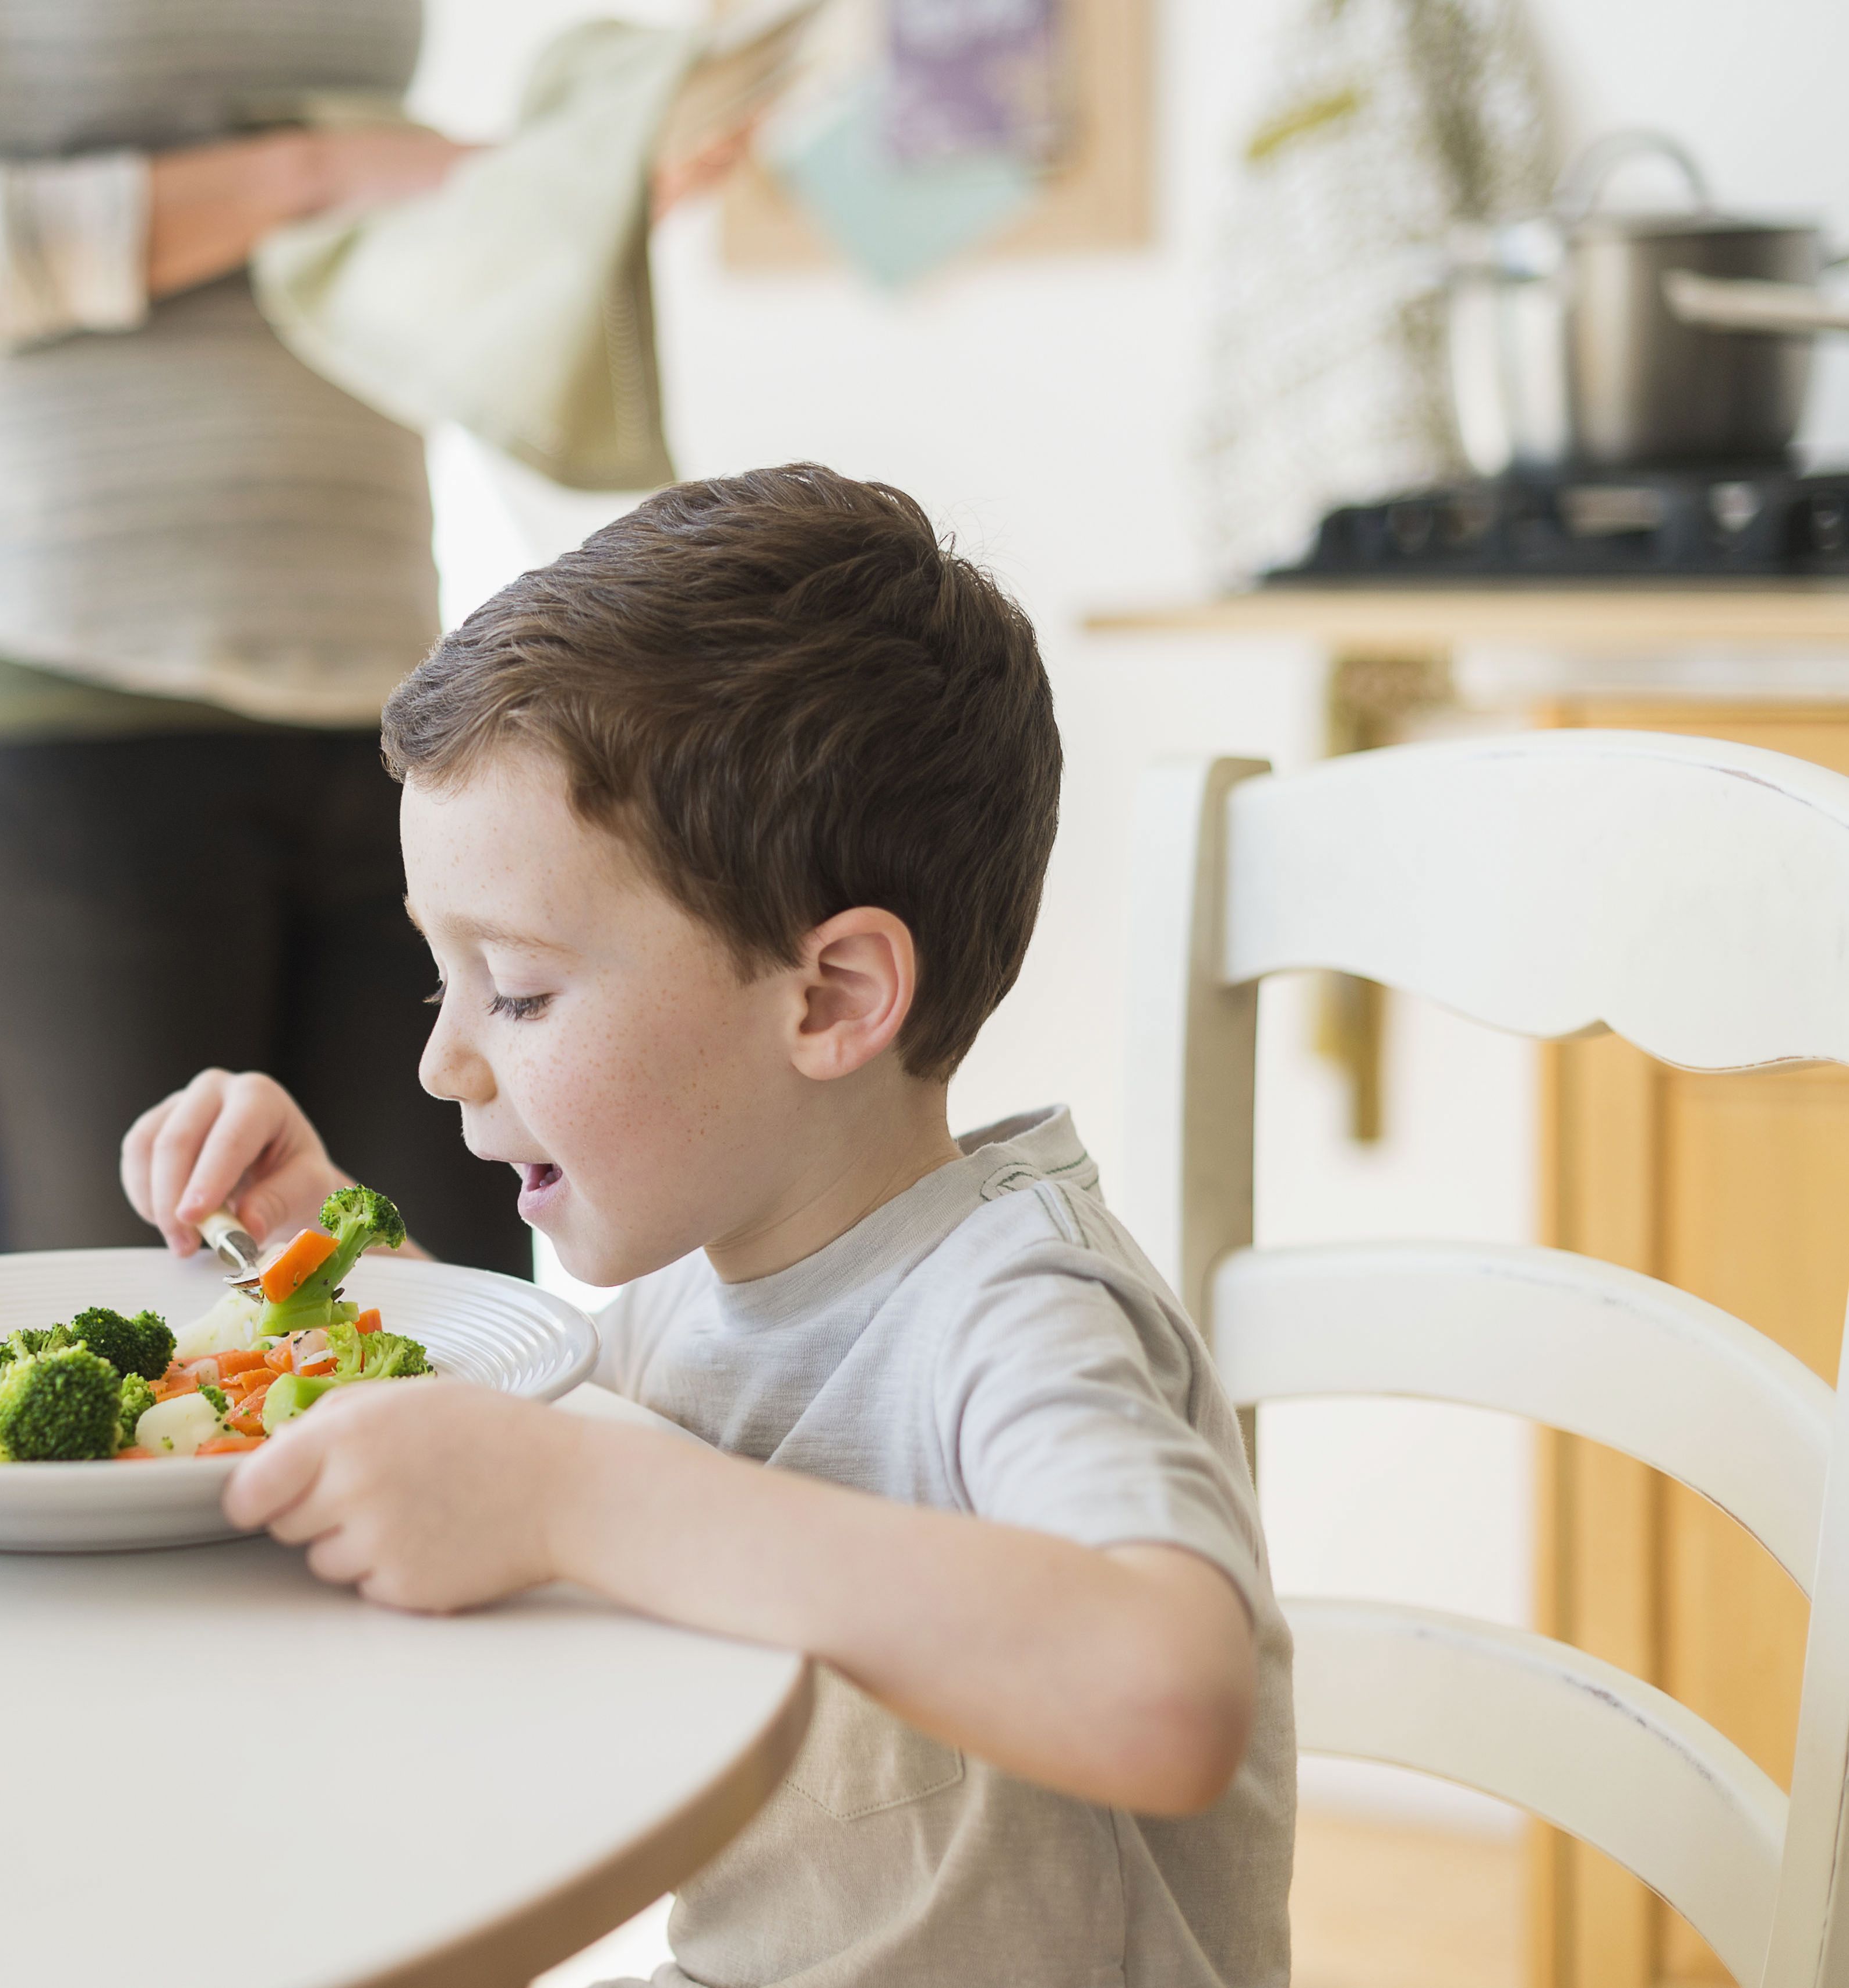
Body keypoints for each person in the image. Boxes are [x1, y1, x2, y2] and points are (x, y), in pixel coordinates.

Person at [121, 466, 1295, 1987]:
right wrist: (319, 1246)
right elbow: (511, 1429)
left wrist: (578, 1498)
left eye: (521, 990)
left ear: (831, 998)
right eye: (442, 980)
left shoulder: (1017, 1304)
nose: (442, 1061)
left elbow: (1169, 1690)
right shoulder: (705, 1293)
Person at [0, 0, 531, 1270]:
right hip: (44, 693)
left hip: (383, 695)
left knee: (459, 1342)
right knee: (135, 1363)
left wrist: (557, 195)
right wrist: (309, 174)